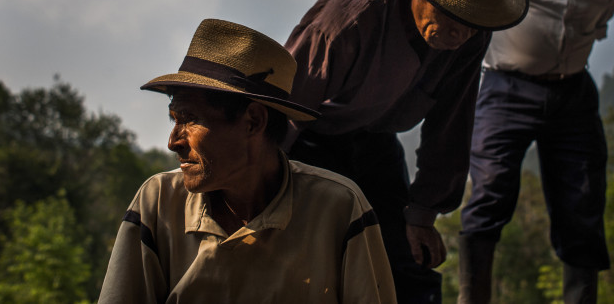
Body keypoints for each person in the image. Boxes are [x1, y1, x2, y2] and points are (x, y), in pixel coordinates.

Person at [282, 0, 530, 303]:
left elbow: (451, 125)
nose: (459, 33)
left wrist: (423, 214)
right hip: (308, 139)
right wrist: (257, 191)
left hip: (376, 140)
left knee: (409, 267)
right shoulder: (348, 23)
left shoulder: (469, 36)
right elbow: (280, 112)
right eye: (450, 13)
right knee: (312, 264)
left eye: (472, 20)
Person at [98, 19, 396, 303]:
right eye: (174, 119)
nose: (173, 141)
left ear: (253, 121)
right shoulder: (159, 201)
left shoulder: (339, 207)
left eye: (189, 120)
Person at [456, 0, 614, 304]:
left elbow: (600, 24)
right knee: (491, 190)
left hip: (573, 93)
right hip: (506, 88)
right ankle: (471, 298)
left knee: (583, 200)